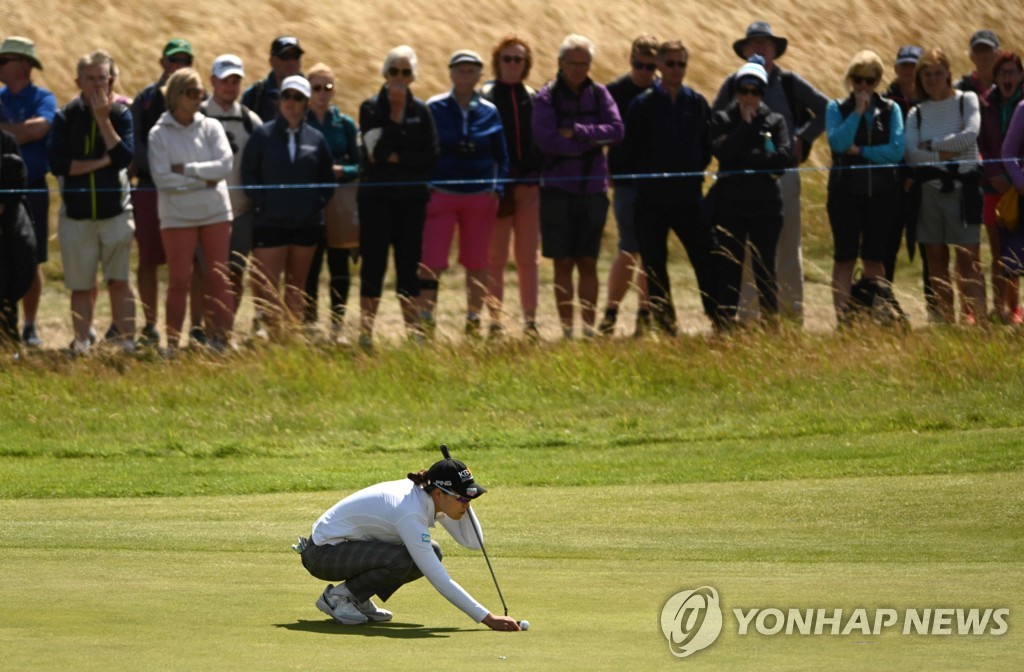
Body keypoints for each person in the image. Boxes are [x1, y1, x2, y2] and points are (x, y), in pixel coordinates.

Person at [297, 454, 522, 631]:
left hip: (345, 548)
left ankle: (356, 596)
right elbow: (438, 577)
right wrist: (488, 618)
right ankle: (337, 598)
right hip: (322, 554)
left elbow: (473, 542)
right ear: (439, 493)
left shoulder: (432, 497)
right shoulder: (409, 511)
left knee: (432, 550)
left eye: (470, 498)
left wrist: (466, 501)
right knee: (405, 559)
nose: (466, 504)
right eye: (462, 498)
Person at [712, 22, 827, 324]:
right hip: (739, 183)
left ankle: (790, 316)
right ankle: (749, 319)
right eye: (754, 44)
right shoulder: (731, 84)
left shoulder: (789, 82)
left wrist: (803, 137)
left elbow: (827, 108)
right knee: (748, 255)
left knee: (788, 247)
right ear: (745, 51)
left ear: (775, 50)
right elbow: (716, 127)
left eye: (766, 44)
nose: (760, 48)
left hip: (782, 174)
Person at [533, 34, 624, 339]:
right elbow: (546, 140)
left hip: (593, 191)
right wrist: (588, 144)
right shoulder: (546, 97)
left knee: (588, 261)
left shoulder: (599, 95)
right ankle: (567, 329)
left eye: (583, 63)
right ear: (560, 63)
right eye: (571, 63)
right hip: (558, 191)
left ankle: (587, 329)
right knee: (562, 262)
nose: (577, 69)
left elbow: (616, 131)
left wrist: (577, 132)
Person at [624, 39, 715, 335]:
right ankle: (666, 325)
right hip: (650, 199)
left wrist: (690, 171)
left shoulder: (697, 102)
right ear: (659, 66)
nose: (676, 69)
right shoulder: (642, 104)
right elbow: (631, 150)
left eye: (681, 64)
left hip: (689, 197)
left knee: (706, 257)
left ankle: (720, 318)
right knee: (654, 264)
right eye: (671, 63)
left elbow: (706, 147)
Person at [49, 50, 136, 355]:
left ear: (110, 79)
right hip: (77, 216)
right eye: (91, 78)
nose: (99, 84)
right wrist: (103, 161)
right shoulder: (64, 117)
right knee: (81, 285)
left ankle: (127, 341)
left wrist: (103, 121)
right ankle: (82, 343)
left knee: (119, 281)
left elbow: (125, 158)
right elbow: (59, 165)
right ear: (78, 81)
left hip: (115, 213)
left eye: (103, 78)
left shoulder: (121, 114)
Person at [419, 49, 509, 338]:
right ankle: (425, 319)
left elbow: (501, 156)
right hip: (441, 193)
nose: (465, 75)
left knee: (477, 261)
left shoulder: (489, 110)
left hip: (480, 195)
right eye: (460, 70)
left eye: (472, 70)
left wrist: (498, 188)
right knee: (432, 260)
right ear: (451, 73)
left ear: (480, 76)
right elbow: (426, 150)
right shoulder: (435, 107)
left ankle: (473, 318)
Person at [356, 45, 438, 350]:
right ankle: (365, 334)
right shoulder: (369, 108)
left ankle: (413, 335)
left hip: (412, 202)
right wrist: (393, 116)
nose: (399, 78)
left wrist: (397, 156)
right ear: (385, 74)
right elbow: (375, 153)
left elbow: (430, 158)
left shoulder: (423, 111)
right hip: (376, 201)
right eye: (394, 72)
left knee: (408, 267)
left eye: (406, 72)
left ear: (413, 76)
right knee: (373, 265)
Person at [148, 68, 235, 352]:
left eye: (201, 92)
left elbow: (224, 166)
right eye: (193, 92)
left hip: (215, 213)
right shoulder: (158, 134)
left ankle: (220, 339)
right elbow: (163, 179)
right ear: (176, 96)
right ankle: (172, 344)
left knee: (218, 277)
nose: (199, 98)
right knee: (179, 280)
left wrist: (186, 170)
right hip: (177, 216)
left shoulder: (211, 127)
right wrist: (203, 180)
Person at [241, 75, 334, 333]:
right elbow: (249, 175)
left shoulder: (316, 138)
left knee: (297, 283)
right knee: (267, 283)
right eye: (287, 96)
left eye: (298, 98)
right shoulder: (263, 134)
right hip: (270, 222)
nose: (291, 103)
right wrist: (264, 204)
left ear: (306, 103)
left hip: (306, 223)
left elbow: (327, 179)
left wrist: (315, 205)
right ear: (279, 100)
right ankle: (270, 332)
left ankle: (290, 336)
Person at [710, 55, 792, 330]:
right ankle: (724, 325)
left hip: (766, 208)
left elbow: (781, 160)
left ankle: (770, 324)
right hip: (730, 206)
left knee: (765, 267)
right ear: (736, 92)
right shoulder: (723, 118)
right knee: (728, 269)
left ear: (762, 92)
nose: (749, 97)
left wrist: (744, 155)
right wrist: (745, 128)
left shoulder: (775, 120)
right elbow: (721, 152)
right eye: (744, 90)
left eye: (755, 91)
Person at [904, 48, 984, 325]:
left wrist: (933, 146)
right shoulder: (916, 112)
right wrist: (946, 154)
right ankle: (947, 323)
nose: (932, 79)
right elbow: (912, 155)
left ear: (948, 74)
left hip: (964, 190)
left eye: (938, 73)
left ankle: (978, 320)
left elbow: (971, 135)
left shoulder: (967, 100)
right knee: (936, 258)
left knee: (969, 259)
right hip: (929, 192)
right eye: (926, 74)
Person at [825, 50, 905, 325]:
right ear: (851, 79)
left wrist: (859, 149)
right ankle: (843, 319)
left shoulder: (891, 109)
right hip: (845, 194)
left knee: (875, 259)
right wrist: (857, 113)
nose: (863, 86)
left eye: (870, 81)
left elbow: (896, 151)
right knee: (845, 258)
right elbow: (836, 143)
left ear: (878, 81)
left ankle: (875, 315)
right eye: (858, 79)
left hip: (882, 195)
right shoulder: (836, 108)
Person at [131, 39, 200, 347]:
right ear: (163, 62)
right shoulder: (145, 99)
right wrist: (162, 170)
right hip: (148, 188)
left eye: (185, 60)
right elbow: (135, 143)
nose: (179, 65)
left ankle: (195, 327)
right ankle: (149, 326)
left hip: (188, 191)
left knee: (192, 261)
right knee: (148, 259)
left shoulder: (200, 98)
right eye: (174, 60)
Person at [597, 34, 658, 337]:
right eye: (638, 64)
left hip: (658, 184)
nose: (644, 72)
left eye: (650, 66)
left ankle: (645, 314)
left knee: (650, 250)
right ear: (630, 60)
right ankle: (611, 312)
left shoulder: (664, 92)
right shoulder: (613, 92)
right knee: (629, 247)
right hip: (626, 182)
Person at [483, 35, 543, 338]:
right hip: (499, 188)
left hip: (529, 187)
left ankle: (530, 321)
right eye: (506, 58)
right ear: (497, 62)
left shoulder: (533, 96)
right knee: (494, 257)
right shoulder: (487, 95)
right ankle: (496, 321)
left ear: (526, 64)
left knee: (527, 257)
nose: (511, 64)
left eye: (518, 59)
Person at [0, 36, 56, 348]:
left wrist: (6, 129)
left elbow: (40, 129)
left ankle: (30, 324)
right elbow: (29, 130)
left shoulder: (43, 98)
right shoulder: (1, 97)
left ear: (23, 65)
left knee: (32, 258)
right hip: (0, 195)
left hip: (33, 190)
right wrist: (21, 130)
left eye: (2, 61)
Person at [201, 54, 263, 317]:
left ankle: (224, 329)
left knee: (236, 272)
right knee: (205, 274)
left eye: (235, 81)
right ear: (213, 81)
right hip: (204, 212)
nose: (230, 86)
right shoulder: (198, 116)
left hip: (241, 212)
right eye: (225, 80)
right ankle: (202, 328)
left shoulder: (251, 121)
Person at [303, 63, 360, 342]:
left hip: (339, 201)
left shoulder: (345, 124)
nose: (322, 93)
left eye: (327, 87)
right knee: (310, 265)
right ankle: (309, 323)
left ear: (334, 90)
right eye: (316, 87)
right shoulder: (300, 120)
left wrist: (342, 171)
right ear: (307, 90)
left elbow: (360, 165)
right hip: (309, 202)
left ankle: (337, 325)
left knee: (339, 266)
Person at [979, 52, 1023, 324]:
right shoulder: (987, 105)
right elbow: (980, 145)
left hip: (1018, 187)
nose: (1008, 77)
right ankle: (1000, 308)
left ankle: (1014, 309)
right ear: (995, 77)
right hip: (994, 186)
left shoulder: (1022, 104)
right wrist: (994, 173)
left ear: (1021, 76)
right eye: (1003, 72)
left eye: (1013, 72)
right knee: (999, 251)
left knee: (1018, 250)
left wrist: (1017, 180)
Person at [0, 129, 36, 345]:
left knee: (3, 295)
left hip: (4, 233)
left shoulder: (7, 141)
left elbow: (16, 183)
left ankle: (7, 347)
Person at [242, 36, 304, 123]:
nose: (291, 62)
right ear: (272, 61)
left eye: (295, 56)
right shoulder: (255, 95)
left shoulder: (316, 90)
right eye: (285, 56)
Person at [956, 30, 1000, 99]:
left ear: (998, 54)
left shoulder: (1006, 84)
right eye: (978, 50)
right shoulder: (962, 87)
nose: (982, 55)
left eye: (987, 49)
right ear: (971, 56)